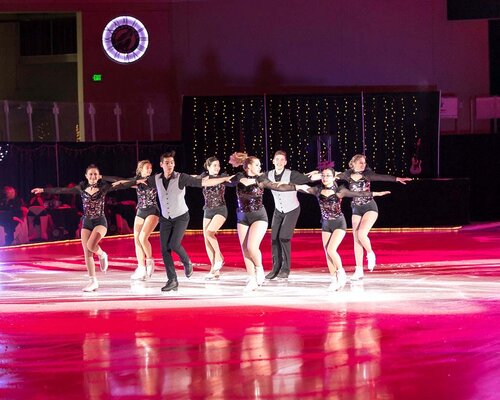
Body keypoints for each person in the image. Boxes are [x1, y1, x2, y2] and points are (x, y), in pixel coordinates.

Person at [31, 165, 136, 292]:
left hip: (100, 221)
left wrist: (136, 181)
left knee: (91, 245)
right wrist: (43, 190)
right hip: (86, 222)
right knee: (87, 252)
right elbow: (62, 190)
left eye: (95, 174)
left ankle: (102, 254)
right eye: (90, 174)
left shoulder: (104, 188)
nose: (93, 177)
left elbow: (120, 184)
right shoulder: (81, 188)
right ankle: (93, 281)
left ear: (98, 176)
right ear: (86, 176)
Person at [144, 151, 232, 292]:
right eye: (167, 163)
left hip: (181, 216)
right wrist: (112, 183)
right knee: (164, 249)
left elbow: (203, 182)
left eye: (172, 162)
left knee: (174, 244)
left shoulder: (181, 177)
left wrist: (224, 179)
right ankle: (172, 280)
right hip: (166, 218)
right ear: (161, 164)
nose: (170, 165)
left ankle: (188, 262)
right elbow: (135, 182)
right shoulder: (156, 179)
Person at [296, 168, 390, 291]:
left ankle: (341, 272)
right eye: (323, 176)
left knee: (331, 249)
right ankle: (334, 280)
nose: (325, 178)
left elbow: (359, 194)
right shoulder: (318, 190)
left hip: (339, 224)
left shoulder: (340, 190)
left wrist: (375, 194)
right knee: (327, 253)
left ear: (334, 177)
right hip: (325, 224)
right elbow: (302, 187)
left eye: (328, 175)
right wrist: (289, 184)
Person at [228, 152, 299, 292]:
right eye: (257, 164)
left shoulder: (261, 178)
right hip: (242, 216)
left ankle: (259, 268)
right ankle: (252, 278)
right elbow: (230, 181)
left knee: (252, 247)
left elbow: (277, 186)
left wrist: (295, 187)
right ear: (248, 166)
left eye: (260, 165)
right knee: (245, 249)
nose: (260, 167)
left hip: (259, 217)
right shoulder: (240, 176)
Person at [337, 154, 412, 280]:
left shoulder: (368, 174)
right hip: (355, 209)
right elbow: (332, 175)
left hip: (369, 208)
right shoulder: (347, 174)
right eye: (360, 162)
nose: (363, 164)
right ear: (353, 163)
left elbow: (382, 177)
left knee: (361, 235)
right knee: (356, 240)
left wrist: (397, 178)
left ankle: (370, 253)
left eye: (364, 162)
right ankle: (359, 270)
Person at [265, 150, 317, 280]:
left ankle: (285, 269)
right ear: (273, 161)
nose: (279, 162)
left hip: (292, 209)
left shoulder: (291, 175)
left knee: (284, 237)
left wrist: (324, 175)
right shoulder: (268, 175)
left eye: (282, 160)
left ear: (286, 162)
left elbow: (308, 178)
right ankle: (275, 268)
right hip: (278, 210)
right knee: (274, 239)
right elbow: (256, 178)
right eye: (277, 159)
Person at [107, 160, 161, 281]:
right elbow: (119, 180)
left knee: (143, 238)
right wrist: (101, 177)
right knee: (136, 240)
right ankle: (141, 268)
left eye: (151, 167)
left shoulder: (154, 180)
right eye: (147, 167)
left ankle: (150, 261)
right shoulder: (137, 181)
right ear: (140, 169)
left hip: (153, 211)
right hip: (141, 211)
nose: (150, 169)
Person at [198, 157, 230, 280]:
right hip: (207, 210)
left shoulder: (223, 177)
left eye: (218, 165)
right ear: (208, 167)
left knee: (210, 232)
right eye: (214, 165)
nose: (217, 168)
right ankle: (214, 270)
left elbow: (232, 180)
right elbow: (195, 179)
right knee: (206, 239)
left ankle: (219, 257)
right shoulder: (204, 177)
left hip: (221, 209)